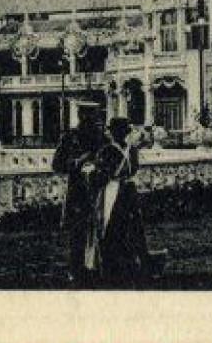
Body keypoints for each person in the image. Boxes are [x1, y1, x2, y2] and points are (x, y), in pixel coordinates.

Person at [85, 117, 153, 287]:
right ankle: (135, 266)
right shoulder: (132, 151)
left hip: (112, 193)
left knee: (109, 229)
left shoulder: (107, 151)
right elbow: (134, 169)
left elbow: (101, 176)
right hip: (129, 191)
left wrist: (90, 174)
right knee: (132, 228)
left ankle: (111, 269)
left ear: (112, 133)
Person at [55, 123, 101, 283]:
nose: (89, 119)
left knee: (101, 229)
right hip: (78, 191)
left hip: (100, 189)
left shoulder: (102, 137)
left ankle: (96, 267)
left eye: (92, 116)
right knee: (78, 231)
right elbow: (57, 165)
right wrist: (78, 162)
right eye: (85, 115)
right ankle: (76, 270)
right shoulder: (70, 138)